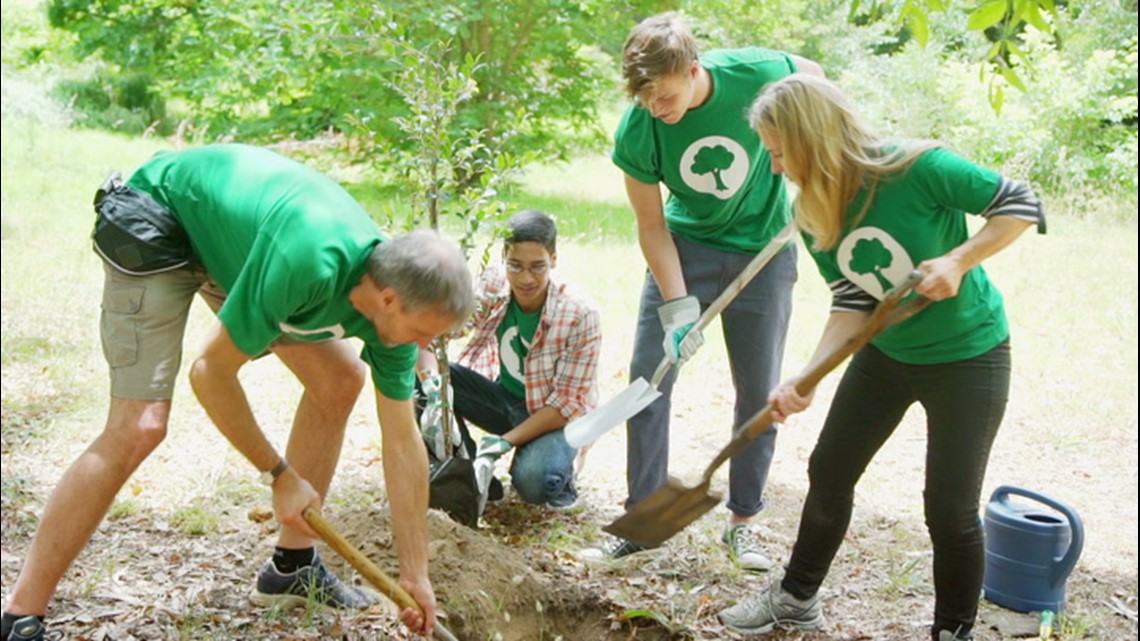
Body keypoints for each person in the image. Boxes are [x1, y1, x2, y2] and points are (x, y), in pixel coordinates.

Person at [0, 144, 474, 641]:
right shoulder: (310, 260)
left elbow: (401, 442)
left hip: (234, 249)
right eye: (425, 333)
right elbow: (211, 373)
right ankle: (20, 616)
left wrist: (415, 572)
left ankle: (291, 566)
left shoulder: (392, 318)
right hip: (159, 217)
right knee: (139, 426)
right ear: (389, 298)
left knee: (338, 380)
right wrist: (279, 474)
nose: (426, 348)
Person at [716, 74, 1045, 639]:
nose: (775, 168)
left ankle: (952, 631)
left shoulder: (919, 167)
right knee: (830, 468)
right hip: (887, 354)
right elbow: (851, 300)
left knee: (949, 507)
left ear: (811, 138)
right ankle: (796, 597)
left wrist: (958, 260)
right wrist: (808, 376)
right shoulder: (813, 207)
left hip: (970, 356)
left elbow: (1022, 203)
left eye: (778, 153)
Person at [596, 11, 824, 569]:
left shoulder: (759, 73)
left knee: (759, 392)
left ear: (694, 70)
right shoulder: (639, 126)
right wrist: (676, 308)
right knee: (650, 380)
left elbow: (817, 81)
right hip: (685, 247)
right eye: (646, 99)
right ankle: (643, 518)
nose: (657, 109)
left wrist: (812, 152)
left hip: (764, 252)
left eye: (666, 97)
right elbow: (651, 225)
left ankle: (744, 521)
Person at [416, 210, 600, 512]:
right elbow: (433, 334)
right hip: (507, 400)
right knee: (418, 382)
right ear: (504, 256)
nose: (525, 278)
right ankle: (466, 475)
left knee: (533, 482)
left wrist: (503, 443)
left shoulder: (580, 314)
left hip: (555, 417)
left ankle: (560, 476)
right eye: (515, 266)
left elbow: (566, 405)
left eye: (537, 267)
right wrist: (429, 383)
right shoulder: (493, 284)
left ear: (554, 259)